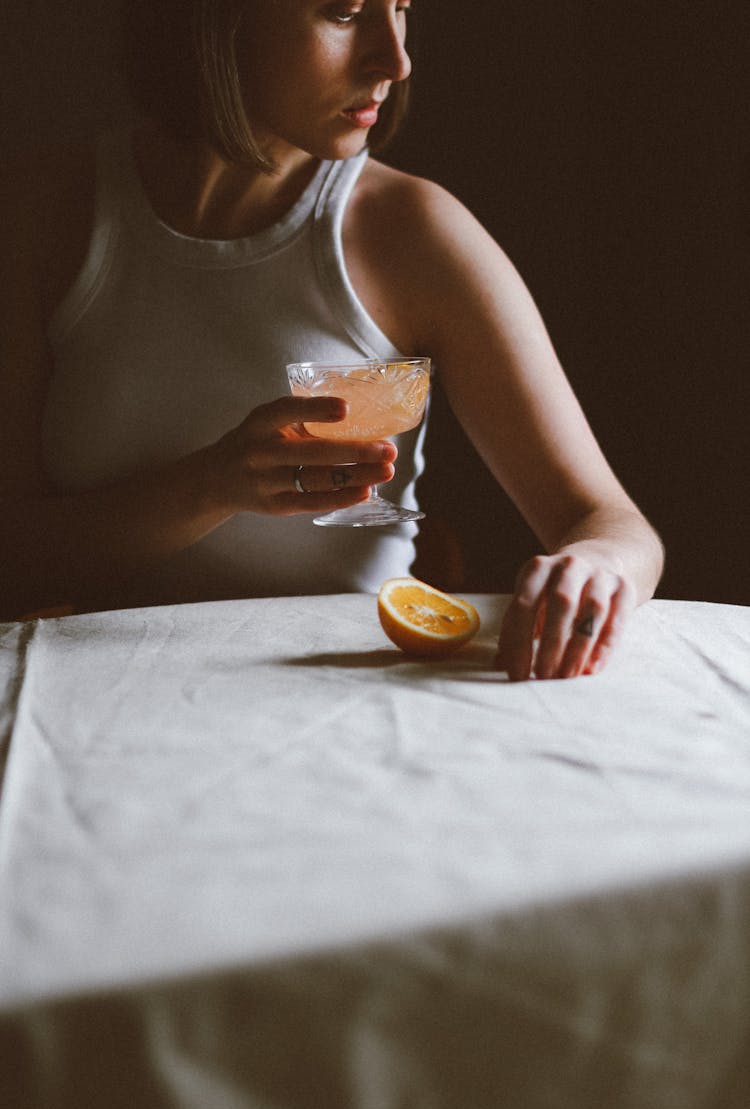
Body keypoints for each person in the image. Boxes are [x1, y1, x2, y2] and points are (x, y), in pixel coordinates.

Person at [0, 0, 663, 680]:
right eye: (345, 13)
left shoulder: (415, 234)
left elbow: (609, 521)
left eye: (401, 7)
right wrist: (211, 484)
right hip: (99, 708)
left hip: (342, 705)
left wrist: (597, 566)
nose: (396, 60)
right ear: (218, 22)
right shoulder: (42, 217)